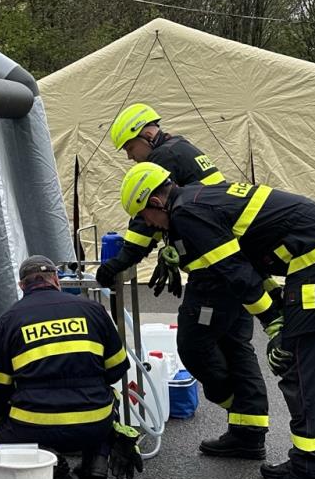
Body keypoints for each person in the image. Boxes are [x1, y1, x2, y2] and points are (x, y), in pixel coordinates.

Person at [119, 162, 315, 479]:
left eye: (145, 216)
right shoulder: (198, 199)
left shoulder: (187, 213)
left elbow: (234, 271)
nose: (148, 225)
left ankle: (312, 476)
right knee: (313, 367)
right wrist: (275, 307)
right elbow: (250, 263)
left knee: (300, 367)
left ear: (156, 202)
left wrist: (272, 321)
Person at [97, 102, 271, 460]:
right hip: (227, 261)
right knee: (235, 345)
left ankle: (239, 409)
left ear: (147, 135)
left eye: (130, 147)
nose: (130, 157)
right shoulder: (183, 150)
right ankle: (248, 430)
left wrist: (120, 261)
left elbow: (145, 217)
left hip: (215, 271)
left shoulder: (164, 158)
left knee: (195, 345)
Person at [0, 255, 142, 479]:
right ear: (56, 279)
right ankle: (96, 460)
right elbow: (117, 369)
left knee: (0, 441)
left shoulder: (8, 321)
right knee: (111, 396)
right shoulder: (93, 310)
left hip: (34, 427)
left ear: (22, 286)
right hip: (94, 422)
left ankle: (48, 463)